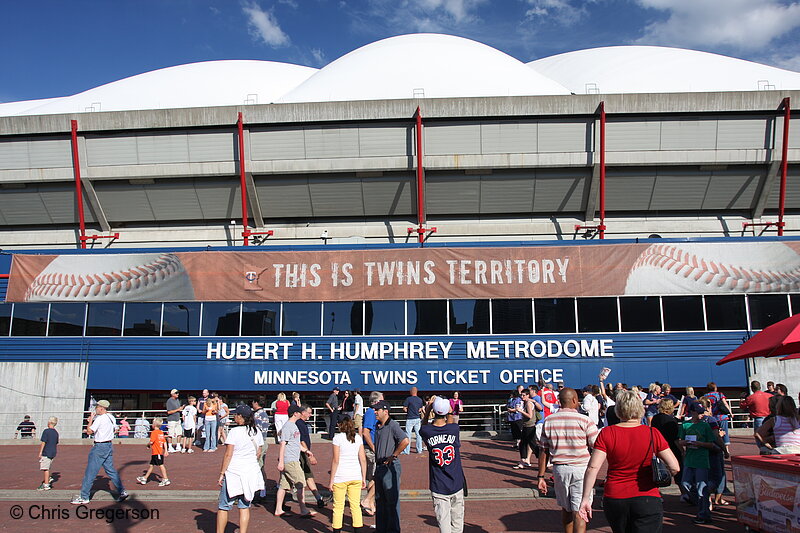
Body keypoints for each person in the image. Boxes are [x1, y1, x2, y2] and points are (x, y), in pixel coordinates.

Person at [578, 390, 679, 533]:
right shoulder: (652, 433)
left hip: (615, 496)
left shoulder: (607, 433)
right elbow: (675, 467)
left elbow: (592, 467)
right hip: (647, 495)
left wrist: (585, 499)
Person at [538, 388, 598, 533]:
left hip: (559, 469)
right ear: (574, 401)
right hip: (581, 468)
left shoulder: (549, 420)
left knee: (566, 508)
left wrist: (541, 476)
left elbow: (543, 450)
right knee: (580, 510)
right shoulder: (585, 420)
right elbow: (597, 446)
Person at [216, 405, 265, 533]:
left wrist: (222, 473)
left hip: (234, 472)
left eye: (236, 414)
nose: (234, 416)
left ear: (241, 417)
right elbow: (258, 452)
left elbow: (228, 454)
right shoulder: (256, 431)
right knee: (244, 506)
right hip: (250, 472)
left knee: (224, 506)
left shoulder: (234, 432)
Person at [421, 397, 465, 533]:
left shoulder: (427, 431)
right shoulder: (454, 428)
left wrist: (428, 408)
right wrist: (450, 411)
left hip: (439, 484)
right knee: (457, 523)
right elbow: (450, 422)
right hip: (456, 481)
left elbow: (423, 426)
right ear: (447, 412)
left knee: (444, 523)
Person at [71, 400, 128, 504]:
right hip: (109, 445)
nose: (96, 409)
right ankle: (122, 491)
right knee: (110, 470)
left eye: (96, 407)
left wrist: (91, 419)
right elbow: (115, 429)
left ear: (101, 408)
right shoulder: (111, 417)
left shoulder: (99, 419)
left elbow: (89, 431)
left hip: (100, 446)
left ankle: (84, 497)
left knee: (90, 472)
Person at [678, 402, 719, 524]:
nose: (702, 415)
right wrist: (685, 444)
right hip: (690, 459)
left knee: (702, 487)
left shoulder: (705, 426)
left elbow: (712, 443)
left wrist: (700, 444)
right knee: (685, 483)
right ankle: (702, 500)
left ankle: (704, 513)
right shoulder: (685, 425)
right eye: (699, 412)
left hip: (702, 459)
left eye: (702, 412)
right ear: (692, 412)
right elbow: (680, 441)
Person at [373, 399, 410, 533]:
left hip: (389, 466)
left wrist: (394, 455)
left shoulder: (393, 425)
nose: (375, 412)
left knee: (391, 501)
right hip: (379, 466)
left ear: (386, 411)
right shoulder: (378, 426)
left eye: (378, 410)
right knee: (380, 500)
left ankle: (393, 530)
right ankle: (381, 529)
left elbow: (405, 440)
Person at [275, 405, 316, 518]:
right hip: (290, 460)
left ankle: (278, 509)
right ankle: (303, 509)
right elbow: (283, 444)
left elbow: (295, 443)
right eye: (299, 412)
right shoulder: (288, 426)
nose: (301, 414)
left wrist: (306, 450)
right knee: (301, 483)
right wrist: (281, 461)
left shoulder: (293, 426)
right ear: (295, 413)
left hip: (292, 458)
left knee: (284, 485)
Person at [330, 416, 367, 533]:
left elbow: (336, 460)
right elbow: (363, 459)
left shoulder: (337, 438)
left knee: (338, 507)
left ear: (340, 425)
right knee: (355, 506)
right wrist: (363, 477)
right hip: (355, 475)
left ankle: (337, 530)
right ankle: (358, 529)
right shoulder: (358, 438)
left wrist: (331, 480)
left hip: (341, 476)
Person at [650, 399, 685, 497]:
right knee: (679, 471)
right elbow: (675, 438)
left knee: (658, 470)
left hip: (658, 447)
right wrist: (682, 450)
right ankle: (684, 493)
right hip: (671, 447)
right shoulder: (671, 420)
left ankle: (656, 493)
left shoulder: (655, 418)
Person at [295, 404, 327, 508]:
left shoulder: (303, 423)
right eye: (309, 413)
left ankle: (318, 498)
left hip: (304, 453)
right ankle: (303, 505)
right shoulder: (299, 423)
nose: (310, 415)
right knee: (300, 478)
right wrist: (308, 453)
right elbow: (301, 440)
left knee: (308, 475)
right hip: (301, 454)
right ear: (303, 412)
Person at [360, 391, 383, 517]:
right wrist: (373, 447)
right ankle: (367, 500)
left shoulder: (372, 412)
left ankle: (371, 504)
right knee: (379, 476)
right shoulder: (370, 412)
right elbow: (366, 431)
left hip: (372, 447)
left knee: (372, 477)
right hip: (372, 449)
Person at [137, 416, 171, 486]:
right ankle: (145, 478)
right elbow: (164, 442)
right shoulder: (161, 432)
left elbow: (151, 442)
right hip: (157, 452)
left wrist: (148, 445)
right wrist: (166, 450)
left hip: (157, 452)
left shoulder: (154, 432)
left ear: (154, 425)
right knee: (151, 465)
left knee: (161, 465)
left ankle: (165, 479)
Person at [701, 382, 731, 452]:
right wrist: (730, 412)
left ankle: (717, 445)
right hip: (721, 416)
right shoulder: (719, 394)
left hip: (712, 416)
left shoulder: (706, 396)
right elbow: (725, 403)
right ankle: (726, 448)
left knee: (714, 432)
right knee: (724, 431)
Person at [251, 396, 271, 495]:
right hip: (263, 441)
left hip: (258, 443)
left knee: (256, 467)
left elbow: (256, 430)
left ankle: (259, 491)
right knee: (261, 466)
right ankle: (262, 491)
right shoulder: (264, 414)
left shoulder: (257, 415)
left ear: (256, 403)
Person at [514, 389, 537, 469]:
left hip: (530, 426)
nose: (522, 397)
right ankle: (523, 460)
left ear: (528, 395)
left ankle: (543, 459)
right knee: (523, 444)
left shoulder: (529, 404)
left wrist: (521, 411)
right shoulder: (524, 403)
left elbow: (530, 415)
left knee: (533, 444)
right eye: (521, 395)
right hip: (526, 426)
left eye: (524, 395)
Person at [37, 416, 59, 490]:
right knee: (48, 466)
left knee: (45, 468)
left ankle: (46, 484)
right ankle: (48, 479)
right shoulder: (56, 433)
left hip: (47, 452)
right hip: (53, 451)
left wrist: (40, 452)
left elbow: (43, 442)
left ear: (49, 422)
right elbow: (56, 442)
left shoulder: (46, 431)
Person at [403, 386, 425, 454]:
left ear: (411, 392)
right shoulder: (419, 400)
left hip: (410, 418)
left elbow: (404, 408)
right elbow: (420, 409)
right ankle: (419, 450)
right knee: (418, 435)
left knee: (408, 434)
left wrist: (408, 411)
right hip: (417, 418)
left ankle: (407, 451)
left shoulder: (408, 399)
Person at [165, 388, 184, 453]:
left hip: (178, 419)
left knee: (179, 433)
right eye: (176, 393)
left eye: (178, 393)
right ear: (172, 394)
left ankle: (178, 446)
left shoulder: (177, 400)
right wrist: (178, 409)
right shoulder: (169, 401)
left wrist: (181, 408)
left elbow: (178, 409)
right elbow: (169, 412)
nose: (177, 394)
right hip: (171, 420)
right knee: (170, 433)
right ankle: (170, 447)